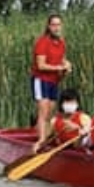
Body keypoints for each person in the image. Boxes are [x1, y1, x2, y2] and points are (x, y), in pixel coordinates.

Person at [30, 14, 72, 148]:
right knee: (43, 111)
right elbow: (41, 65)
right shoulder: (42, 42)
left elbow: (62, 59)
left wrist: (67, 65)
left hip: (54, 81)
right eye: (54, 25)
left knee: (50, 113)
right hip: (41, 79)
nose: (56, 28)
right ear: (49, 26)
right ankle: (41, 140)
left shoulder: (61, 42)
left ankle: (47, 138)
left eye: (58, 24)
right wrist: (59, 67)